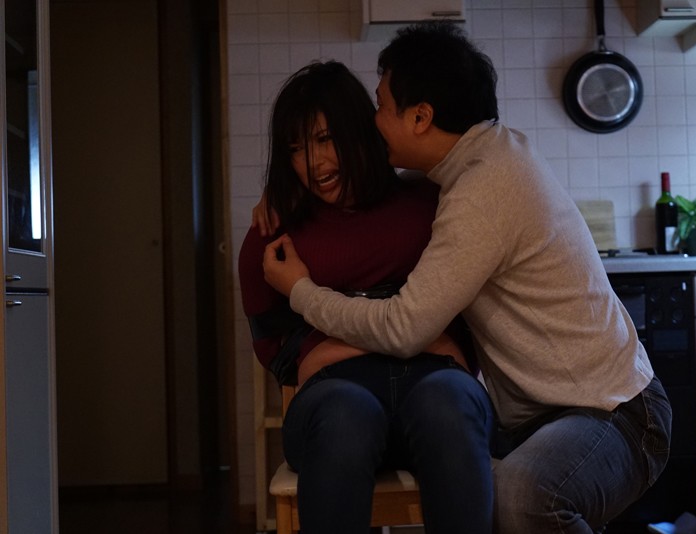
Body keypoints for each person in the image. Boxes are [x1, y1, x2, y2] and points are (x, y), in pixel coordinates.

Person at [259, 23, 673, 534]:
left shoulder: (482, 190)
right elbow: (388, 191)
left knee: (522, 494)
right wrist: (295, 191)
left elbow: (404, 328)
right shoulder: (486, 155)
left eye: (381, 105)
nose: (373, 120)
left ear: (420, 117)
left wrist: (301, 291)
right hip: (544, 417)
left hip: (614, 412)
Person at [238, 60, 494, 534]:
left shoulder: (433, 203)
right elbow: (272, 347)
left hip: (436, 382)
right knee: (345, 416)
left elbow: (475, 312)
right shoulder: (274, 231)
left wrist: (336, 339)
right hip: (333, 398)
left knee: (448, 405)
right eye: (296, 149)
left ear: (360, 127)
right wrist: (406, 334)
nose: (314, 164)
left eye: (325, 138)